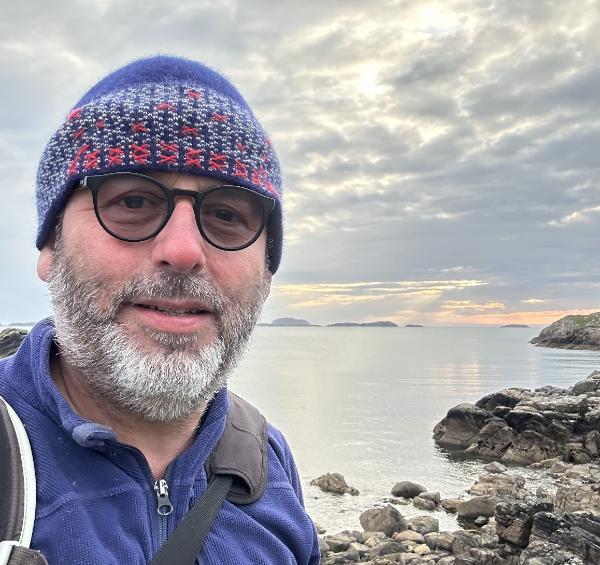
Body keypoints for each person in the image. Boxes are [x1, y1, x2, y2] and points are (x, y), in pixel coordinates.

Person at [0, 55, 320, 564]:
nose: (184, 249)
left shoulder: (264, 462)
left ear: (266, 270)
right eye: (131, 201)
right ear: (50, 247)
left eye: (225, 214)